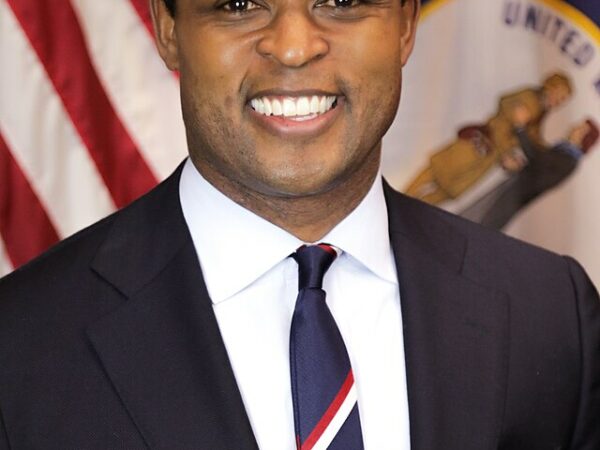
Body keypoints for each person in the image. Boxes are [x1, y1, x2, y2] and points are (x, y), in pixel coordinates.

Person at [0, 1, 598, 449]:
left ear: (406, 24)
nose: (292, 47)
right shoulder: (20, 344)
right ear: (168, 30)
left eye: (341, 0)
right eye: (239, 4)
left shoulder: (553, 313)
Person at [405, 73, 573, 205]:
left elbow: (532, 140)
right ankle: (398, 201)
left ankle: (408, 212)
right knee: (437, 171)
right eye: (559, 95)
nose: (559, 102)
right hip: (479, 144)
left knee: (448, 190)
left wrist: (532, 154)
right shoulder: (529, 99)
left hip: (489, 157)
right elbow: (503, 121)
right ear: (550, 86)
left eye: (563, 100)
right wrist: (509, 148)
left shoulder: (540, 112)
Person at [461, 119, 599, 229]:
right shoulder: (565, 152)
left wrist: (520, 129)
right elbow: (538, 169)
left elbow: (537, 159)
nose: (574, 127)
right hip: (514, 190)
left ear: (583, 138)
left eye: (580, 128)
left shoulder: (568, 160)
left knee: (484, 222)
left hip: (516, 195)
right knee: (481, 217)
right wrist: (519, 165)